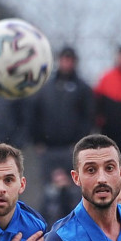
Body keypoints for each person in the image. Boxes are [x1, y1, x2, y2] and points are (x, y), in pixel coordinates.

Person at [27, 45, 95, 209]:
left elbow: (88, 118)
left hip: (71, 149)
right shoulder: (46, 88)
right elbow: (34, 114)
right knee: (49, 193)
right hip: (48, 149)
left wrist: (80, 143)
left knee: (73, 192)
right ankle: (47, 228)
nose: (67, 63)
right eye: (64, 59)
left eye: (70, 60)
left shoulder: (83, 88)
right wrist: (37, 141)